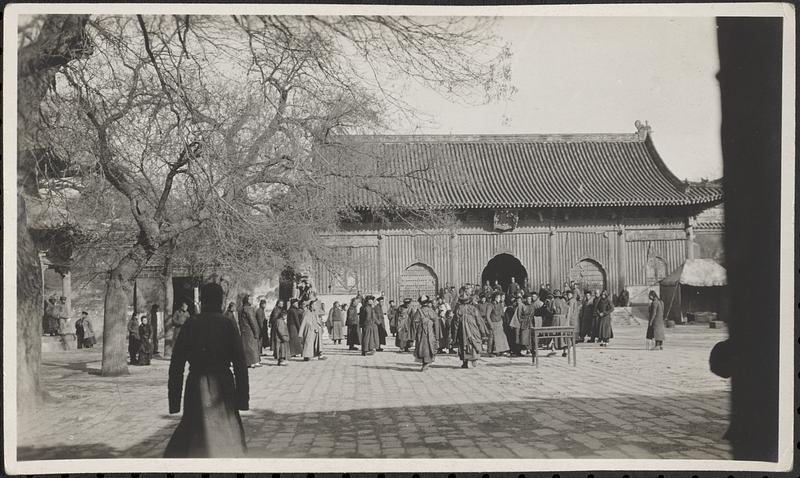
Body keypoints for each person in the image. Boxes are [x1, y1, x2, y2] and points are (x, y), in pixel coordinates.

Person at [164, 282, 249, 458]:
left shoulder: (190, 324)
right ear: (220, 302)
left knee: (193, 435)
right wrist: (242, 399)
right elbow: (241, 364)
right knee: (227, 433)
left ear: (202, 301)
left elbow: (176, 365)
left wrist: (174, 401)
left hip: (197, 386)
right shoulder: (228, 324)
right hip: (223, 386)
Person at [451, 292, 488, 368]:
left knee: (463, 344)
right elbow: (479, 321)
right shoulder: (473, 308)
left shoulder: (459, 309)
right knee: (473, 343)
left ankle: (465, 362)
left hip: (463, 330)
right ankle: (474, 358)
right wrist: (482, 332)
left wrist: (454, 335)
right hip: (473, 328)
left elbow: (455, 323)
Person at [413, 296, 439, 371]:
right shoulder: (431, 311)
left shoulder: (419, 311)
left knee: (422, 346)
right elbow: (436, 322)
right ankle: (427, 361)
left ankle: (425, 362)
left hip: (421, 332)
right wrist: (437, 334)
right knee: (430, 345)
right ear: (427, 303)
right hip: (430, 331)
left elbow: (415, 321)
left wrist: (416, 331)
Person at [238, 296, 261, 368]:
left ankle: (248, 362)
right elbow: (252, 321)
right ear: (247, 301)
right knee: (252, 346)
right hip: (250, 330)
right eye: (251, 299)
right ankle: (253, 362)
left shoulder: (240, 309)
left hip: (244, 330)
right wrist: (256, 332)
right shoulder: (249, 309)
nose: (252, 300)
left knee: (246, 347)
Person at [550, 290, 569, 356]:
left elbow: (551, 310)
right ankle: (565, 349)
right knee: (563, 333)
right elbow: (567, 309)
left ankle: (553, 347)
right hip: (563, 319)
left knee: (554, 332)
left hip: (556, 318)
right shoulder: (563, 302)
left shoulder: (553, 301)